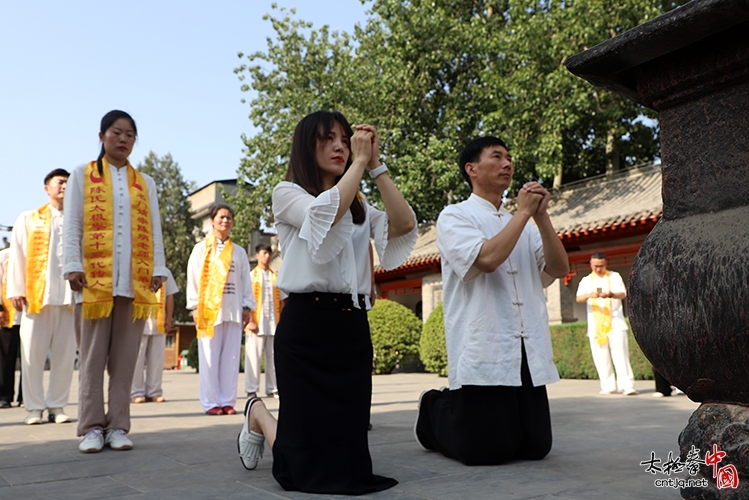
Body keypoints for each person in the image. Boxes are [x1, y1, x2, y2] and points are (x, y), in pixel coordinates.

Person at [237, 111, 417, 495]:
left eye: (345, 138)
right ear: (307, 144)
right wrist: (359, 163)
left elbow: (402, 226)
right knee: (299, 471)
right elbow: (324, 213)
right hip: (305, 325)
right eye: (328, 138)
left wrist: (377, 165)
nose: (340, 146)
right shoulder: (287, 193)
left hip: (350, 323)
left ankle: (262, 418)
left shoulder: (359, 203)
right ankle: (260, 416)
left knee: (348, 461)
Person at [415, 136, 570, 466]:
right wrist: (523, 214)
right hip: (483, 343)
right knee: (484, 452)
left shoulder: (527, 225)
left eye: (509, 158)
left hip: (526, 345)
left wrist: (541, 218)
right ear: (471, 169)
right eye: (497, 156)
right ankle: (434, 407)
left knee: (536, 447)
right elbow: (486, 259)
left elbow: (559, 268)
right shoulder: (455, 216)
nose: (507, 164)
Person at [64, 110, 168, 453]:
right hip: (94, 283)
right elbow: (73, 224)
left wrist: (158, 268)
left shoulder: (145, 183)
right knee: (92, 359)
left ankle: (118, 426)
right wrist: (73, 264)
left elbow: (154, 228)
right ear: (101, 136)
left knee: (126, 360)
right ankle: (91, 427)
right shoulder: (82, 175)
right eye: (116, 132)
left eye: (130, 135)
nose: (123, 140)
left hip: (132, 283)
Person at [8, 169, 76, 425]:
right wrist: (16, 288)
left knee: (65, 355)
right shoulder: (28, 218)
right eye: (60, 183)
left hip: (68, 298)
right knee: (31, 354)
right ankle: (34, 407)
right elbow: (17, 254)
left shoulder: (77, 221)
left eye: (69, 184)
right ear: (47, 188)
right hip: (36, 297)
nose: (64, 187)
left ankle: (57, 406)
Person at [187, 204, 255, 416]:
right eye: (221, 217)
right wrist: (194, 307)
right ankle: (210, 402)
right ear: (212, 220)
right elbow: (194, 279)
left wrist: (247, 307)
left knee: (231, 358)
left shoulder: (240, 252)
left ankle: (227, 400)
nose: (225, 221)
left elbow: (245, 282)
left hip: (233, 310)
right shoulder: (201, 249)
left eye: (229, 218)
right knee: (208, 357)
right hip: (208, 312)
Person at [575, 252, 636, 396]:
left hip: (615, 321)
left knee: (621, 354)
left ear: (606, 264)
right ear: (590, 264)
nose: (598, 269)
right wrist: (590, 295)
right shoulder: (586, 280)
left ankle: (627, 385)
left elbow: (623, 293)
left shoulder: (614, 277)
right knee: (601, 356)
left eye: (601, 265)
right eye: (595, 266)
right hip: (595, 324)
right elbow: (578, 298)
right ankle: (607, 385)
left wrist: (610, 294)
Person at [244, 243, 286, 399]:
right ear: (257, 255)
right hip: (256, 322)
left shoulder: (276, 276)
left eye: (268, 253)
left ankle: (273, 387)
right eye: (263, 253)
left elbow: (282, 301)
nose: (266, 256)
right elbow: (246, 300)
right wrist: (250, 321)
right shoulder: (250, 276)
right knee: (253, 357)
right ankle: (251, 388)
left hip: (273, 322)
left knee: (274, 357)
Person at [131, 268, 178, 404]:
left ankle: (154, 392)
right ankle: (135, 392)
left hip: (158, 321)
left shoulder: (164, 271)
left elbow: (170, 295)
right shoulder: (136, 266)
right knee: (137, 359)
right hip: (139, 320)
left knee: (157, 359)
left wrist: (168, 319)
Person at [0, 248, 23, 409]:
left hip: (33, 315)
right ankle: (3, 397)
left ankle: (26, 396)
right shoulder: (3, 256)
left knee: (30, 359)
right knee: (4, 359)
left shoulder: (38, 254)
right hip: (8, 315)